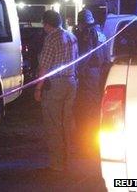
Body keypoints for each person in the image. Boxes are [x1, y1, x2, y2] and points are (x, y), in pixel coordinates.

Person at [34, 10, 78, 172]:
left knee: (53, 124)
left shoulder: (51, 39)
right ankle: (71, 160)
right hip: (71, 82)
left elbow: (44, 66)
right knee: (67, 122)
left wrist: (38, 88)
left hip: (56, 85)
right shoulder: (71, 36)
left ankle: (57, 164)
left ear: (46, 24)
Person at [74, 9, 108, 156]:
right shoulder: (100, 32)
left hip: (88, 74)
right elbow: (105, 55)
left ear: (82, 22)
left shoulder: (88, 33)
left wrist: (77, 70)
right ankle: (94, 142)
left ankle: (86, 144)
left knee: (85, 109)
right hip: (99, 73)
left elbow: (85, 55)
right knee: (94, 108)